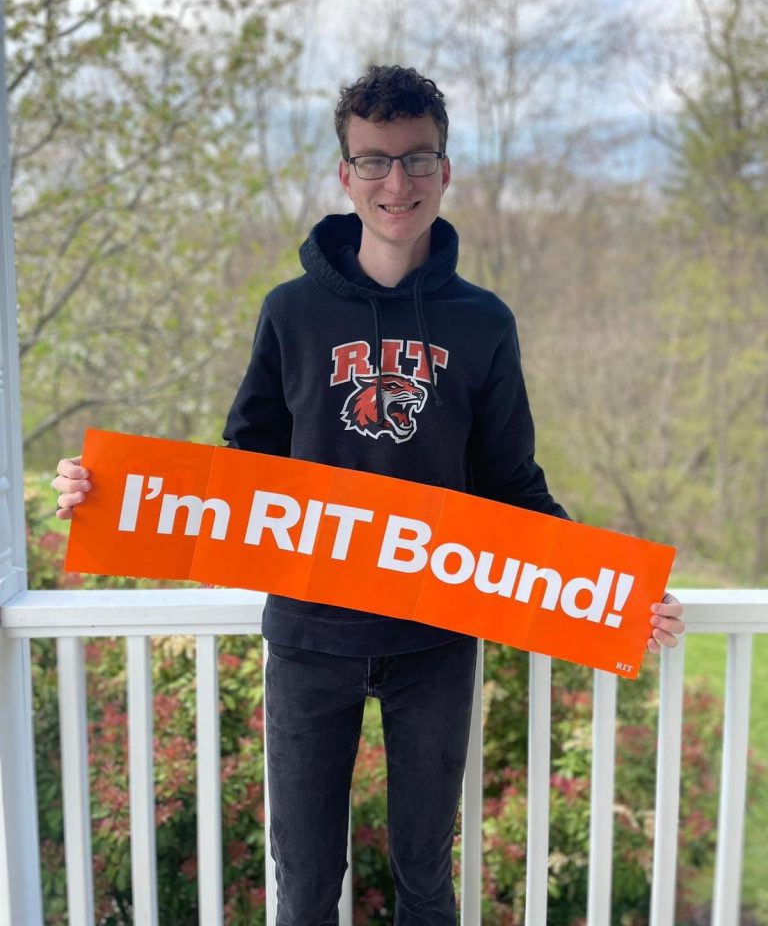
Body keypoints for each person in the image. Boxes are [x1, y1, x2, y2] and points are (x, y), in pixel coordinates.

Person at [53, 65, 684, 926]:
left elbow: (512, 486)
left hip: (436, 635)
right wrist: (109, 494)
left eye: (418, 159)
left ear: (445, 170)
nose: (398, 182)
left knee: (424, 879)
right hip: (312, 635)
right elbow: (243, 468)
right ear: (345, 174)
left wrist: (618, 593)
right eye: (375, 161)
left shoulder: (483, 323)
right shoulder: (290, 313)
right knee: (306, 884)